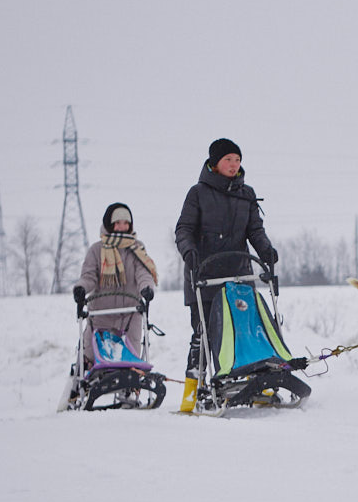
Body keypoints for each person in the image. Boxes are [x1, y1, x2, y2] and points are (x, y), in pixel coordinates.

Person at [174, 138, 278, 410]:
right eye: (228, 160)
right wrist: (189, 252)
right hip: (205, 277)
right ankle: (192, 392)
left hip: (238, 275)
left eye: (238, 160)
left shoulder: (247, 193)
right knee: (205, 335)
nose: (234, 165)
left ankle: (251, 382)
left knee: (246, 330)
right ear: (215, 163)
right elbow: (183, 229)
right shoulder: (197, 193)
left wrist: (265, 250)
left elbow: (255, 230)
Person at [73, 203, 158, 372]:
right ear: (109, 224)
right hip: (100, 316)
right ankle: (78, 387)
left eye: (126, 223)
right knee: (88, 355)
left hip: (129, 316)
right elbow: (89, 276)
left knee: (131, 356)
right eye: (118, 222)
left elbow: (143, 272)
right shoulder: (96, 250)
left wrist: (146, 287)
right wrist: (81, 288)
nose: (122, 227)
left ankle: (132, 386)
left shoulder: (136, 248)